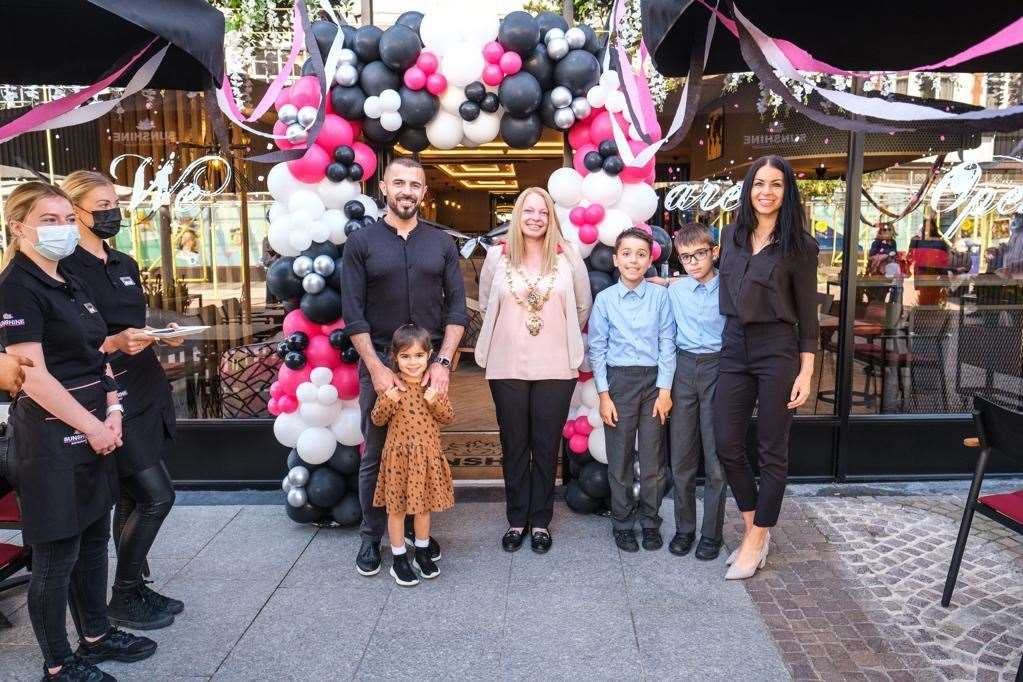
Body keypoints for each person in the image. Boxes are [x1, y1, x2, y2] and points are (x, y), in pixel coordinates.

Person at [0, 182, 156, 680]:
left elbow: (97, 352)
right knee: (56, 554)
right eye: (50, 220)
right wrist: (93, 425)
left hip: (96, 424)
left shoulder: (70, 279)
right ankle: (59, 663)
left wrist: (112, 409)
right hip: (51, 436)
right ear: (18, 226)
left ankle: (95, 632)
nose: (63, 228)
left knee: (92, 539)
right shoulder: (16, 287)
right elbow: (34, 376)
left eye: (68, 218)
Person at [62, 171, 184, 630]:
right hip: (109, 396)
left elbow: (132, 323)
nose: (112, 212)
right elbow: (75, 342)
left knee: (135, 496)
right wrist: (116, 343)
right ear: (76, 212)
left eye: (115, 202)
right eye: (102, 204)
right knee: (157, 496)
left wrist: (157, 336)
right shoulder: (67, 269)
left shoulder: (124, 263)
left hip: (147, 387)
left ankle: (134, 586)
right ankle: (124, 594)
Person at [341, 157, 467, 578]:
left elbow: (457, 310)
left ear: (424, 192)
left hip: (428, 365)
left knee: (424, 451)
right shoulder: (361, 244)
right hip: (379, 361)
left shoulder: (441, 243)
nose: (407, 191)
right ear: (384, 188)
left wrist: (444, 363)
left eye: (415, 184)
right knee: (377, 453)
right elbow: (352, 313)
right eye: (399, 183)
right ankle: (371, 536)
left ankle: (417, 534)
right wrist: (376, 369)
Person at [714, 155, 819, 580]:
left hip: (778, 348)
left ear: (786, 191)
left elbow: (809, 316)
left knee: (772, 450)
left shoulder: (801, 246)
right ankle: (754, 525)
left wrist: (806, 371)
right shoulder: (732, 235)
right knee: (726, 442)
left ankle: (756, 540)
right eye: (759, 183)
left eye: (776, 185)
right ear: (748, 188)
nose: (766, 192)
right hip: (734, 345)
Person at [475, 187, 591, 554]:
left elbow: (583, 304)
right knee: (514, 446)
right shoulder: (497, 257)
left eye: (543, 212)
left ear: (551, 218)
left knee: (545, 447)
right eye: (529, 211)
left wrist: (557, 329)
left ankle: (540, 521)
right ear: (517, 216)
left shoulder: (568, 255)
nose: (536, 218)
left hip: (556, 366)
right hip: (506, 365)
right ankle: (515, 519)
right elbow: (483, 305)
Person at [588, 228, 675, 553]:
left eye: (641, 254)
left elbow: (668, 343)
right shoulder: (606, 300)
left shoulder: (660, 297)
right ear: (615, 259)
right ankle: (623, 524)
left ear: (649, 258)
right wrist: (604, 394)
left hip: (654, 383)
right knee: (620, 459)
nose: (633, 260)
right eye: (626, 253)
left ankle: (651, 522)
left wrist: (665, 389)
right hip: (619, 383)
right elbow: (597, 348)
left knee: (653, 459)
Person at [371, 325, 455, 586]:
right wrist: (388, 399)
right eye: (405, 356)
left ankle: (421, 552)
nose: (412, 362)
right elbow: (377, 419)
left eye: (418, 356)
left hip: (426, 459)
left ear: (428, 355)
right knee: (396, 510)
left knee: (423, 509)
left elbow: (448, 417)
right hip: (398, 461)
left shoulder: (434, 386)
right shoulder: (392, 387)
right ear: (395, 358)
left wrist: (435, 400)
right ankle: (399, 559)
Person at [665, 223, 727, 560]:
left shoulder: (728, 288)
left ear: (714, 252)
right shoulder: (676, 292)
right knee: (682, 457)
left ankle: (711, 535)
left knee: (716, 459)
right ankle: (684, 528)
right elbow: (667, 335)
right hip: (685, 368)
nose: (693, 262)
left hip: (719, 367)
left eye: (699, 254)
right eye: (686, 257)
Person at [908, 215, 950, 305]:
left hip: (936, 271)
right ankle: (925, 312)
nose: (928, 228)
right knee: (924, 294)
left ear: (934, 227)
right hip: (922, 270)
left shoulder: (940, 241)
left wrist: (944, 275)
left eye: (930, 225)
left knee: (934, 293)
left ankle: (932, 312)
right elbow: (911, 255)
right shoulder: (917, 239)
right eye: (926, 225)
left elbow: (945, 259)